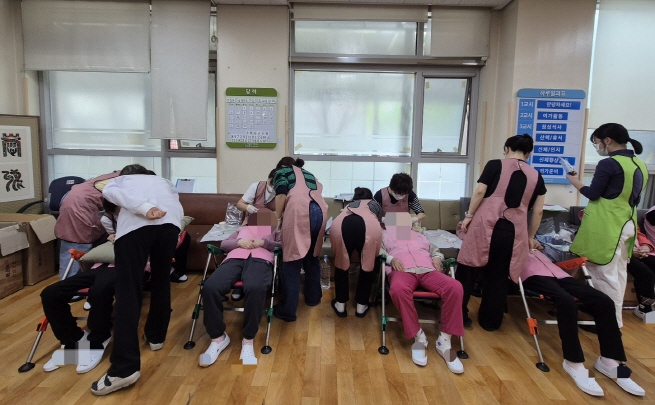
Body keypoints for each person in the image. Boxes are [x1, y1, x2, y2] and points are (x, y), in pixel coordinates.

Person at [91, 164, 183, 396]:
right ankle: (156, 336)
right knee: (161, 280)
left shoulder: (121, 181)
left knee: (128, 293)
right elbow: (177, 204)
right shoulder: (163, 181)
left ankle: (124, 369)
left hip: (136, 229)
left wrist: (145, 208)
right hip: (170, 227)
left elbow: (109, 193)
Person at [516, 247, 645, 397]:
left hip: (559, 274)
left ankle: (609, 361)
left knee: (604, 302)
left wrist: (539, 245)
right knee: (566, 302)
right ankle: (573, 362)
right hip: (530, 275)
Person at [456, 134, 546, 331]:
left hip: (484, 226)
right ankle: (490, 322)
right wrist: (530, 237)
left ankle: (459, 315)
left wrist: (469, 216)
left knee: (468, 270)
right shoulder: (537, 176)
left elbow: (480, 191)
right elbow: (538, 211)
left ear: (506, 148)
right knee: (498, 276)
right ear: (528, 153)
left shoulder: (495, 165)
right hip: (513, 233)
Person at [566, 123, 648, 328]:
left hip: (608, 227)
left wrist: (574, 181)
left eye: (596, 142)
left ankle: (608, 325)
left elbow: (593, 194)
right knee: (618, 275)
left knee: (603, 276)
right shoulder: (639, 164)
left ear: (607, 140)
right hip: (627, 224)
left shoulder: (609, 164)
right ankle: (614, 322)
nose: (597, 147)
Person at [382, 212, 464, 373]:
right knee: (398, 289)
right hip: (402, 270)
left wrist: (437, 257)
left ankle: (444, 341)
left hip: (428, 270)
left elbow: (435, 250)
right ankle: (418, 337)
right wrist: (391, 259)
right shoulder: (385, 236)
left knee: (455, 287)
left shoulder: (420, 236)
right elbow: (377, 250)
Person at [198, 209, 281, 367]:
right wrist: (238, 242)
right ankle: (218, 338)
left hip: (260, 260)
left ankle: (248, 339)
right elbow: (224, 244)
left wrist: (264, 243)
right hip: (234, 258)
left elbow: (282, 245)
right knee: (210, 287)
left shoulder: (274, 231)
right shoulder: (241, 230)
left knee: (255, 287)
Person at [271, 157, 328, 322]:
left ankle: (288, 310)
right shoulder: (309, 174)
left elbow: (281, 194)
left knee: (292, 262)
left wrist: (277, 217)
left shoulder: (282, 171)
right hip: (320, 212)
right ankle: (313, 298)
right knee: (312, 258)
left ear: (281, 166)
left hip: (300, 213)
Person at [41, 263, 115, 374]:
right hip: (100, 267)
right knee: (50, 293)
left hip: (125, 268)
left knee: (99, 290)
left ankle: (98, 339)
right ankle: (74, 340)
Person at [329, 187, 382, 318]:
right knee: (368, 265)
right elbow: (382, 223)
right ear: (370, 197)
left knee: (341, 264)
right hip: (370, 227)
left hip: (341, 225)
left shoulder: (350, 205)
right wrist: (407, 220)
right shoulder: (375, 203)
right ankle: (361, 306)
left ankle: (340, 305)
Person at [54, 171, 119, 278]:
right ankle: (72, 285)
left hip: (70, 200)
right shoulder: (125, 180)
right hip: (81, 208)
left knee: (70, 247)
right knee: (77, 249)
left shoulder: (113, 175)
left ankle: (69, 281)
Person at [628, 228, 655, 319]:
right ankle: (645, 309)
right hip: (620, 253)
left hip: (638, 250)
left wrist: (646, 246)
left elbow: (638, 233)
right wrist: (629, 250)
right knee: (646, 274)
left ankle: (651, 306)